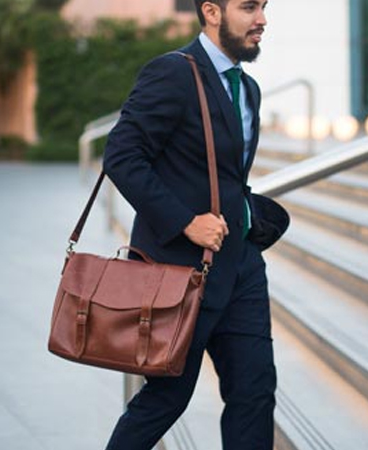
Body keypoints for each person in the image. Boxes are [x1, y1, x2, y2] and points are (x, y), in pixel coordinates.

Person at [102, 0, 289, 449]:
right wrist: (185, 221)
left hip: (241, 269)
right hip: (180, 274)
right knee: (166, 399)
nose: (262, 19)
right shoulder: (172, 73)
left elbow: (224, 175)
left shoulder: (249, 89)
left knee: (254, 395)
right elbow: (121, 156)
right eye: (249, 7)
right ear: (211, 11)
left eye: (264, 7)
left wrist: (250, 218)